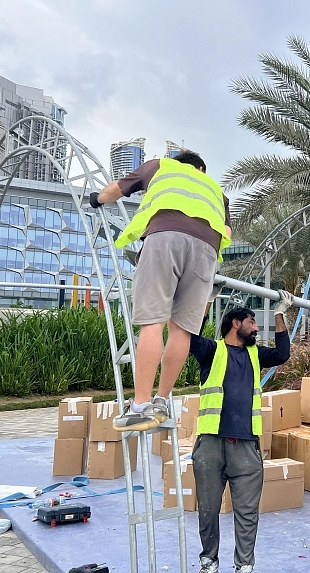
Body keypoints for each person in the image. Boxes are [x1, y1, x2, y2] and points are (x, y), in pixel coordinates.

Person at [89, 150, 232, 432]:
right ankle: (162, 402)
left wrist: (96, 199)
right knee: (182, 330)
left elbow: (113, 191)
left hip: (165, 236)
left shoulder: (159, 166)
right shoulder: (217, 191)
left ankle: (140, 407)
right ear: (201, 168)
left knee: (152, 321)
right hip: (207, 251)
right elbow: (227, 230)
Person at [190, 293, 293, 573]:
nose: (256, 328)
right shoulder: (213, 351)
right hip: (211, 443)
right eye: (252, 322)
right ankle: (209, 561)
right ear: (236, 323)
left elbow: (283, 354)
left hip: (246, 446)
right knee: (209, 509)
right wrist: (207, 299)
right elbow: (190, 338)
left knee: (247, 512)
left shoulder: (255, 354)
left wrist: (279, 314)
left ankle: (244, 565)